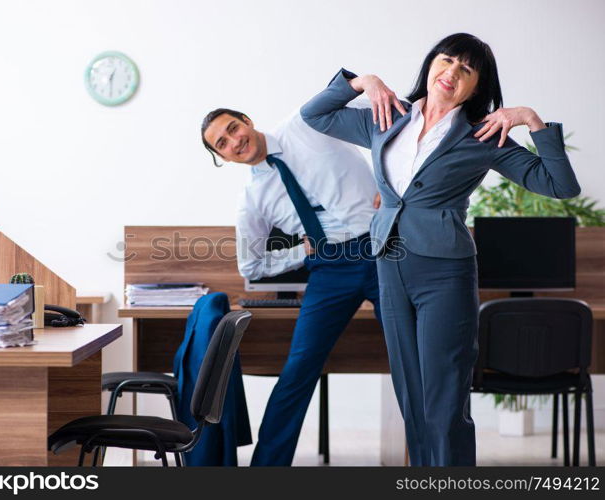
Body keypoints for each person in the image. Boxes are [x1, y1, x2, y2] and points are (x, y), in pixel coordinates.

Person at [300, 32, 580, 466]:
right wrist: (362, 82)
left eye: (465, 70)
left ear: (477, 87)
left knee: (445, 400)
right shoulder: (384, 115)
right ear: (431, 63)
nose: (451, 72)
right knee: (410, 396)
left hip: (444, 272)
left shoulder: (483, 134)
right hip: (388, 264)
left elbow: (560, 185)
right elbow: (313, 114)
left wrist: (531, 119)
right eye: (447, 61)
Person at [201, 107, 383, 466]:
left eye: (234, 128)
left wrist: (390, 185)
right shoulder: (253, 199)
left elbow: (382, 132)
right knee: (298, 369)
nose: (235, 141)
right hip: (331, 270)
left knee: (410, 358)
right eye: (222, 143)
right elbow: (249, 264)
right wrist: (299, 252)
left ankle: (432, 463)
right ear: (222, 157)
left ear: (248, 121)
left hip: (384, 250)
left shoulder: (305, 126)